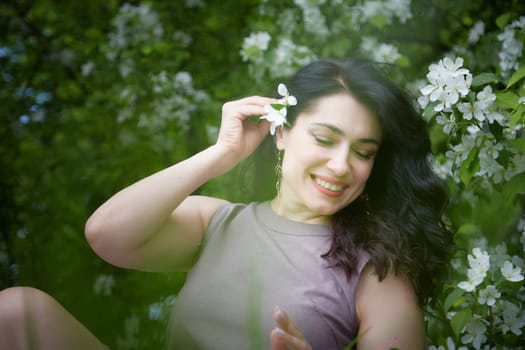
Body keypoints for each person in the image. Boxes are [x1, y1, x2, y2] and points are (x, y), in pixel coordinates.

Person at [0, 57, 453, 349]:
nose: (340, 165)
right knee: (17, 312)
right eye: (324, 139)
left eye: (363, 152)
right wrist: (221, 155)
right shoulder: (215, 220)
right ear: (282, 131)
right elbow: (107, 235)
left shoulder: (376, 268)